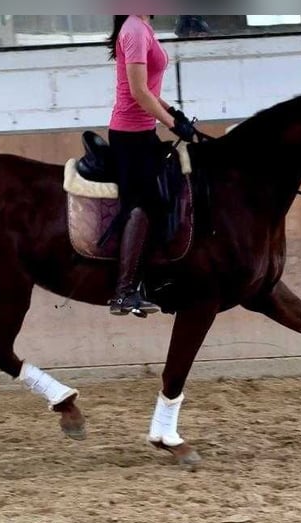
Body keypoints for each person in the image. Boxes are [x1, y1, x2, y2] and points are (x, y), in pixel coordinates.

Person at [105, 15, 196, 317]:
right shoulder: (133, 28)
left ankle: (155, 278)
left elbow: (151, 89)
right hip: (129, 136)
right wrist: (173, 125)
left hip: (143, 132)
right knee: (145, 203)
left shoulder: (143, 27)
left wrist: (175, 113)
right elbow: (138, 92)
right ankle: (124, 291)